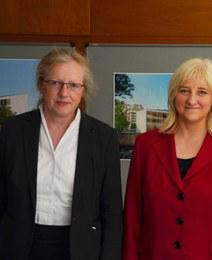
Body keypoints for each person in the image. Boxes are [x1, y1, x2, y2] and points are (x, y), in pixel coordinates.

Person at [123, 58, 212, 260]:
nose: (192, 100)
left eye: (202, 92)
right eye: (184, 91)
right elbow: (133, 216)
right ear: (174, 95)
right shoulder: (146, 145)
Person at [0, 47, 123, 260]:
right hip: (18, 246)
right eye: (55, 83)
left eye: (74, 85)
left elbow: (111, 213)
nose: (64, 93)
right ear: (41, 85)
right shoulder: (12, 131)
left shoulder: (104, 138)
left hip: (80, 248)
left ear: (83, 90)